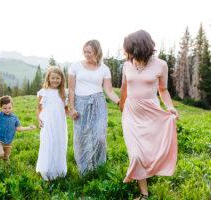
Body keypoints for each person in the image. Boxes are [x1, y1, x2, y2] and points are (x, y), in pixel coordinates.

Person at [119, 30, 179, 200]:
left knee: (148, 151)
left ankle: (147, 172)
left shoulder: (161, 65)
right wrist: (121, 105)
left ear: (140, 47)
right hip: (131, 112)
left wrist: (170, 107)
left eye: (130, 49)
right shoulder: (126, 65)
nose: (128, 53)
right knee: (136, 153)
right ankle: (144, 194)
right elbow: (124, 87)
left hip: (151, 113)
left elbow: (163, 89)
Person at [68, 40, 120, 175]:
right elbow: (71, 89)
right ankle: (84, 171)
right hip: (80, 103)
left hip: (98, 103)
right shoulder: (75, 66)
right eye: (85, 51)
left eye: (89, 52)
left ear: (97, 52)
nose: (86, 54)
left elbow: (109, 90)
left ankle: (99, 169)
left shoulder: (104, 69)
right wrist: (71, 108)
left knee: (100, 137)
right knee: (81, 137)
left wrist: (119, 102)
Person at [36, 66, 69, 181]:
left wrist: (72, 114)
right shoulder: (43, 92)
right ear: (48, 78)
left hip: (59, 123)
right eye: (53, 78)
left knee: (59, 144)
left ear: (62, 79)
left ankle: (58, 170)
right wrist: (39, 119)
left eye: (57, 78)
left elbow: (66, 109)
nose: (55, 80)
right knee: (47, 144)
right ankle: (46, 170)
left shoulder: (64, 93)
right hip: (47, 123)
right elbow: (39, 108)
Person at [0, 96, 36, 166]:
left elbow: (18, 128)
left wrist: (29, 127)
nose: (7, 110)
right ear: (1, 107)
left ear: (12, 106)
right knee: (0, 154)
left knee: (6, 158)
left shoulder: (14, 117)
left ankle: (6, 170)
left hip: (9, 142)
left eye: (9, 108)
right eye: (5, 108)